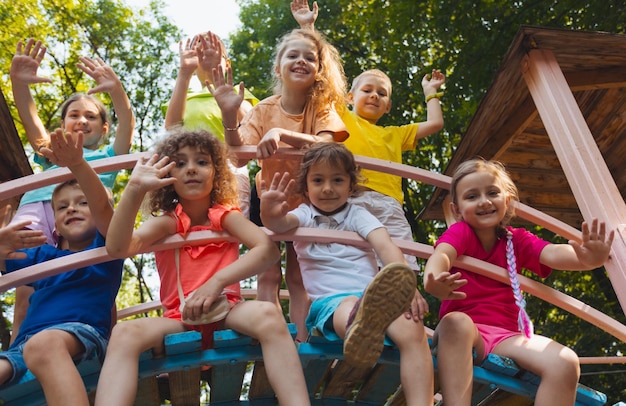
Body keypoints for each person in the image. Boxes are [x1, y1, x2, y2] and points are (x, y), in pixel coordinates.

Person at [95, 128, 311, 406]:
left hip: (227, 311)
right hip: (179, 321)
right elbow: (118, 248)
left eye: (202, 161)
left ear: (217, 172)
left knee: (268, 314)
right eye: (180, 163)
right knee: (124, 333)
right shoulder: (168, 222)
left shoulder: (224, 216)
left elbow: (267, 250)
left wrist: (216, 283)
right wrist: (135, 190)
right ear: (167, 177)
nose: (191, 169)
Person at [424, 158, 614, 406]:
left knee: (565, 361)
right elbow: (442, 255)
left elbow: (553, 253)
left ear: (507, 200)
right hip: (466, 332)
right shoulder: (461, 233)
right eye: (472, 196)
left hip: (506, 336)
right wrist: (432, 280)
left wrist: (588, 259)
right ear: (457, 209)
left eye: (492, 192)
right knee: (455, 323)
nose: (484, 201)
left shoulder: (516, 240)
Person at [260, 143, 433, 406]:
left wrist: (408, 287)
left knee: (412, 328)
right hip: (330, 303)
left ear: (350, 187)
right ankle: (360, 329)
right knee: (350, 306)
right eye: (318, 180)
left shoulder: (357, 214)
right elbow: (279, 224)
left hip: (376, 298)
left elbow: (385, 244)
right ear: (306, 188)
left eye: (337, 180)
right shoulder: (304, 214)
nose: (328, 188)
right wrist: (269, 211)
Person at [210, 27, 349, 342]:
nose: (301, 61)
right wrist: (229, 116)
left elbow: (328, 147)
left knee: (300, 274)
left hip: (308, 203)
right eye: (293, 55)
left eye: (309, 58)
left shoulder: (321, 109)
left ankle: (302, 338)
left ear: (318, 70)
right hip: (269, 197)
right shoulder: (264, 109)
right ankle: (269, 335)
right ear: (278, 67)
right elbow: (238, 155)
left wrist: (282, 135)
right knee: (268, 270)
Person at [291, 0, 445, 269]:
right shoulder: (342, 115)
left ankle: (406, 303)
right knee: (355, 261)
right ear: (350, 97)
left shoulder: (396, 134)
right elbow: (323, 78)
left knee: (400, 259)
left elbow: (434, 124)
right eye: (367, 90)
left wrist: (431, 91)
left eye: (382, 94)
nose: (374, 95)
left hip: (388, 205)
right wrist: (308, 26)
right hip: (351, 199)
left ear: (388, 107)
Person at [8, 38, 134, 342]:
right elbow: (30, 120)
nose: (81, 120)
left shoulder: (108, 157)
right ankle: (16, 349)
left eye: (90, 116)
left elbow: (127, 123)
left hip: (87, 217)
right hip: (38, 209)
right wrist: (19, 83)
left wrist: (116, 90)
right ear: (63, 124)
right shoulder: (53, 150)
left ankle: (106, 343)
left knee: (98, 280)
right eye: (74, 115)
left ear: (103, 129)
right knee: (27, 287)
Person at [0, 129, 124, 406]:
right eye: (62, 206)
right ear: (54, 224)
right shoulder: (43, 256)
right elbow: (5, 260)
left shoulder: (106, 249)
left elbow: (104, 208)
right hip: (23, 347)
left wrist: (78, 164)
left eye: (83, 203)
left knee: (43, 344)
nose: (72, 209)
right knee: (36, 346)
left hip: (82, 335)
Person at [163, 30, 258, 218]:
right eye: (200, 54)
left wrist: (217, 79)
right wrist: (184, 73)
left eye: (214, 52)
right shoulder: (184, 99)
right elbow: (171, 128)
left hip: (231, 168)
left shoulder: (239, 95)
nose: (206, 57)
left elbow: (251, 124)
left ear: (227, 63)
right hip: (191, 169)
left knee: (234, 222)